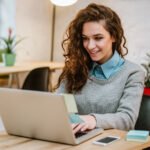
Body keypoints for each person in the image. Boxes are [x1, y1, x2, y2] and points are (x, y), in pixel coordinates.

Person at [55, 3, 145, 134]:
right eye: (85, 39)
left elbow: (127, 119)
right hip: (78, 140)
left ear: (114, 36)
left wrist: (92, 120)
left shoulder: (133, 73)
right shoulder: (76, 67)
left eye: (98, 38)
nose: (90, 46)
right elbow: (59, 103)